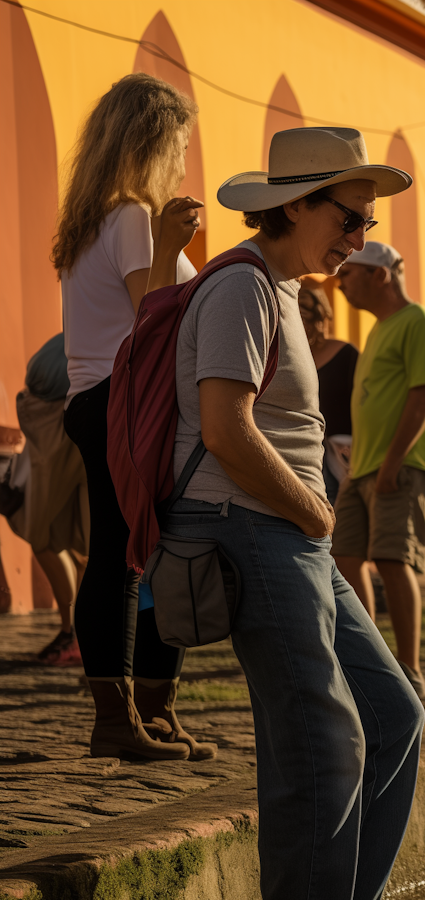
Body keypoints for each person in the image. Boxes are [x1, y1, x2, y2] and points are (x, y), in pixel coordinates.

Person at [164, 125, 423, 900]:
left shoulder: (273, 288)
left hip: (289, 533)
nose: (359, 238)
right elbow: (227, 428)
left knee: (392, 715)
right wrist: (317, 511)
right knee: (321, 740)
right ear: (298, 204)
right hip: (253, 529)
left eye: (366, 223)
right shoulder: (240, 287)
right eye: (350, 218)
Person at [55, 73, 206, 761]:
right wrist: (172, 244)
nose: (182, 161)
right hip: (123, 402)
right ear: (150, 143)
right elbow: (153, 313)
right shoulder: (126, 220)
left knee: (129, 553)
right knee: (132, 556)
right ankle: (123, 718)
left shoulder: (94, 222)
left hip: (96, 400)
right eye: (178, 145)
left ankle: (146, 710)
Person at [332, 241, 425, 700]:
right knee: (344, 559)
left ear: (379, 275)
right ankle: (374, 664)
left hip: (403, 467)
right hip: (364, 468)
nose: (340, 284)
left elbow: (424, 396)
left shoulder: (417, 323)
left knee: (393, 560)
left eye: (348, 274)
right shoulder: (379, 329)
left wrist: (393, 463)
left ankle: (411, 669)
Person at [9, 335, 89, 665]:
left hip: (66, 414)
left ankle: (78, 633)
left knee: (45, 527)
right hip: (57, 412)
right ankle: (75, 631)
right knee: (52, 531)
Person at [298, 280, 359, 503]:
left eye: (305, 311)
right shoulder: (287, 360)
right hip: (301, 459)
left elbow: (365, 408)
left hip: (342, 461)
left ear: (321, 313)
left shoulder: (346, 354)